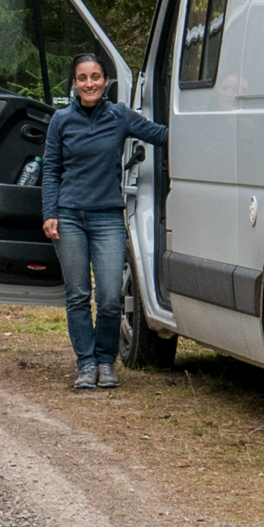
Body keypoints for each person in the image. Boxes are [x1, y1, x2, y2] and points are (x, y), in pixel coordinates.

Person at [40, 53, 167, 390]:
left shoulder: (119, 116)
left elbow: (160, 135)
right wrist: (49, 213)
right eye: (82, 78)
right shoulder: (61, 121)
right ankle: (86, 364)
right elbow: (50, 169)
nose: (90, 83)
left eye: (95, 76)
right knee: (78, 294)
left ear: (106, 81)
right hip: (69, 217)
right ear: (74, 84)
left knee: (110, 297)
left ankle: (106, 362)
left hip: (108, 217)